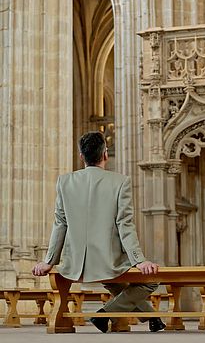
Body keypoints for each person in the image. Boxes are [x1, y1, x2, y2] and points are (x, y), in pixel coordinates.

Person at [32, 130, 165, 334]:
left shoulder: (64, 182)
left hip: (75, 264)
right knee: (152, 280)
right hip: (107, 261)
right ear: (105, 154)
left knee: (117, 284)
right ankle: (105, 314)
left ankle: (153, 318)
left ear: (81, 156)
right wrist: (139, 260)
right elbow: (124, 225)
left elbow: (60, 224)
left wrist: (49, 261)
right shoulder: (121, 182)